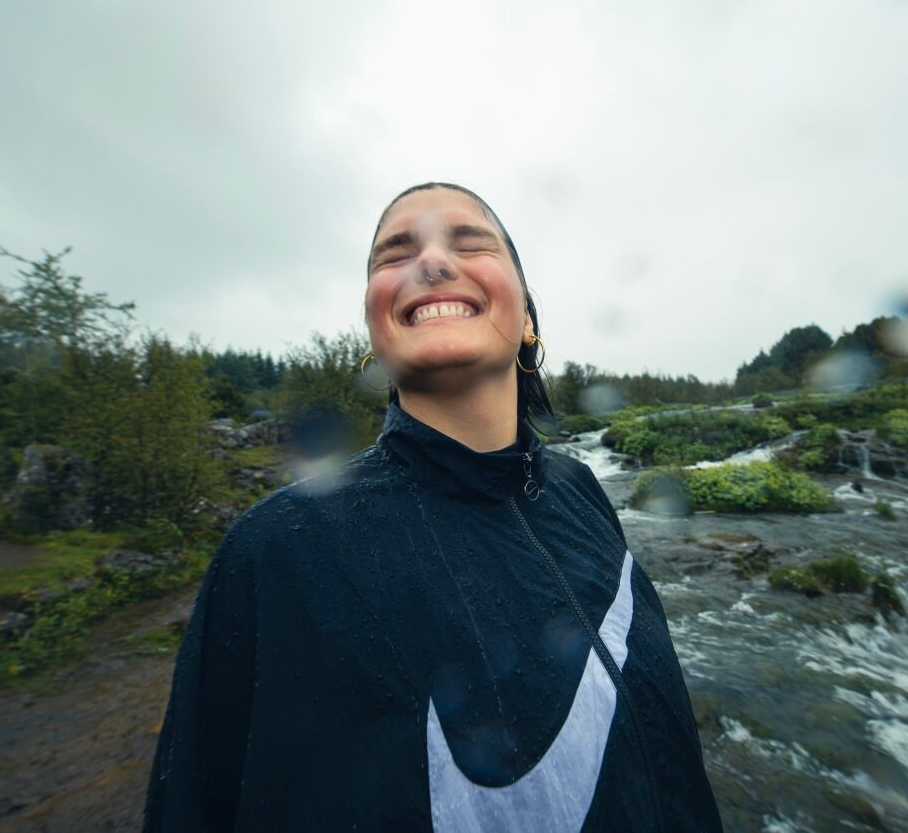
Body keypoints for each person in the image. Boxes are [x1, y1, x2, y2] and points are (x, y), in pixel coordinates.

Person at [143, 183, 722, 831]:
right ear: (375, 330)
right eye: (395, 254)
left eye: (470, 242)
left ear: (528, 318)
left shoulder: (582, 490)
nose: (432, 262)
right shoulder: (274, 548)